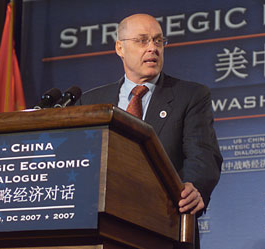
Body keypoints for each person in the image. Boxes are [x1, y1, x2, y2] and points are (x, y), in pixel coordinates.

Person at [78, 13, 222, 248]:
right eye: (142, 40)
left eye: (158, 41)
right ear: (120, 48)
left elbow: (203, 154)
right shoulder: (91, 101)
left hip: (165, 222)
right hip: (102, 226)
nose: (152, 48)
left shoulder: (190, 95)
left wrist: (194, 185)